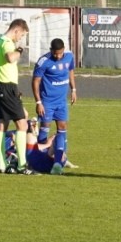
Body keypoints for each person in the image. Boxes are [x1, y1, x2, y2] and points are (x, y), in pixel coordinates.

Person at [0, 18, 32, 174]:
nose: (19, 39)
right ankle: (22, 165)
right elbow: (9, 58)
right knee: (22, 124)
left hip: (0, 87)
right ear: (17, 30)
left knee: (2, 124)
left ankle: (2, 164)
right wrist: (19, 51)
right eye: (20, 35)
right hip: (6, 87)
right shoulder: (7, 43)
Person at [31, 38, 78, 170]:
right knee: (45, 126)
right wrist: (38, 102)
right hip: (47, 102)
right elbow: (35, 81)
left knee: (62, 128)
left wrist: (73, 89)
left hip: (61, 102)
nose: (58, 56)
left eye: (60, 53)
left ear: (63, 49)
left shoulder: (69, 57)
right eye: (55, 53)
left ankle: (60, 160)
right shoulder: (43, 61)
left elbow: (70, 72)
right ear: (51, 50)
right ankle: (39, 158)